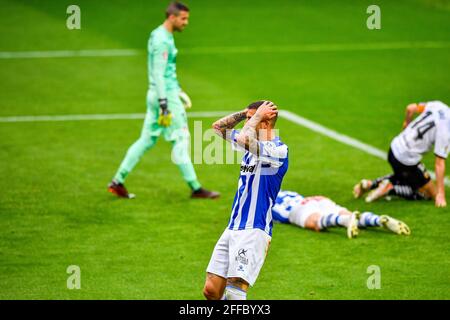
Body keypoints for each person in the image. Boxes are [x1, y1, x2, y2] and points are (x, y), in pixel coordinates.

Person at [108, 1, 219, 199]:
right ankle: (195, 187)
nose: (186, 23)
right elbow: (158, 73)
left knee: (146, 139)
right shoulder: (162, 41)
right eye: (183, 19)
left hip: (160, 93)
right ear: (172, 17)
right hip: (164, 97)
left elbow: (165, 72)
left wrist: (178, 90)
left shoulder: (160, 35)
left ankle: (118, 181)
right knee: (181, 139)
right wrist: (165, 102)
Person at [203, 101, 288, 300]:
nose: (246, 123)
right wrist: (245, 113)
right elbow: (218, 127)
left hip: (255, 229)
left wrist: (256, 117)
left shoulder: (278, 151)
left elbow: (243, 138)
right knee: (211, 290)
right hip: (233, 227)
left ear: (265, 125)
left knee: (235, 292)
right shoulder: (249, 147)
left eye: (252, 119)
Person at [354, 101, 449, 208]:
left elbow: (410, 108)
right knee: (430, 194)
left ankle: (370, 184)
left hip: (394, 147)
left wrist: (406, 123)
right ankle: (392, 189)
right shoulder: (446, 130)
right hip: (406, 159)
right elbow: (439, 163)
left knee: (405, 175)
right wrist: (441, 194)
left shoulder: (438, 105)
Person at [272, 190, 410, 238]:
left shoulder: (261, 201)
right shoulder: (279, 189)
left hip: (296, 208)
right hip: (315, 199)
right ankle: (377, 220)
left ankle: (343, 221)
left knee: (315, 222)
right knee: (351, 214)